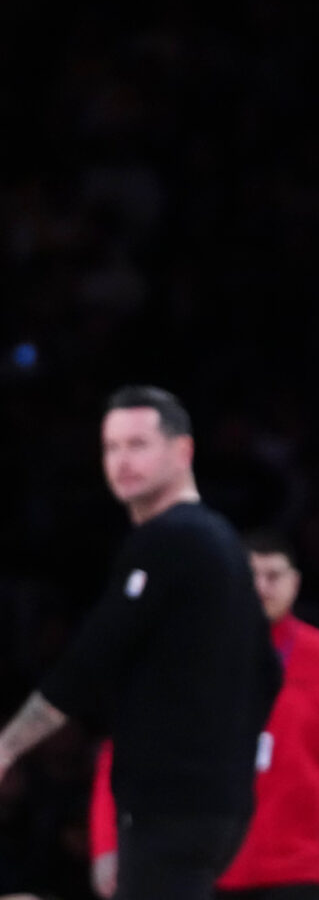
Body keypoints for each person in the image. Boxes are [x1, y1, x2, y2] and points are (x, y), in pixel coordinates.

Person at [0, 386, 281, 900]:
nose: (121, 462)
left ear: (183, 451)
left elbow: (93, 655)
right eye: (111, 447)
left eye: (138, 444)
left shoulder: (170, 537)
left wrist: (8, 745)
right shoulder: (222, 543)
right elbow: (269, 671)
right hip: (219, 808)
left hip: (171, 805)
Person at [89, 532, 319, 900]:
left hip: (297, 873)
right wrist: (107, 848)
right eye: (251, 575)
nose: (262, 587)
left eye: (274, 575)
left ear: (295, 583)